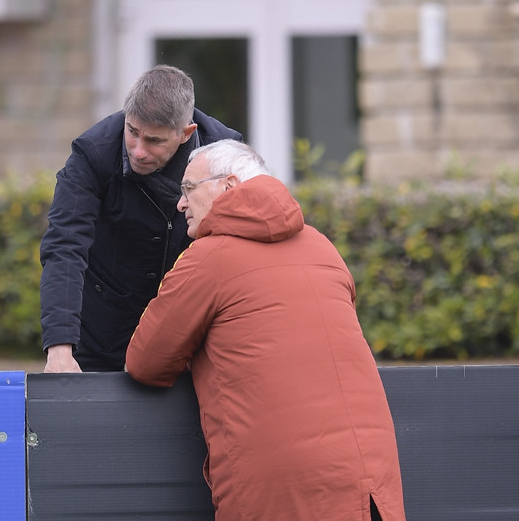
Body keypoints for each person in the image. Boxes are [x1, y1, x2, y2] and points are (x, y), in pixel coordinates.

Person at [126, 140, 406, 520]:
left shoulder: (208, 258)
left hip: (281, 486)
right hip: (370, 478)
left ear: (228, 187)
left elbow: (145, 362)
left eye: (188, 188)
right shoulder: (322, 247)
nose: (180, 203)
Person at [40, 65, 242, 373]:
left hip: (191, 335)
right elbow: (64, 246)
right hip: (101, 333)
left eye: (154, 141)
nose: (138, 151)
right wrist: (59, 350)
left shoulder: (226, 156)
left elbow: (246, 250)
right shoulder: (91, 153)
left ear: (186, 133)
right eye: (132, 132)